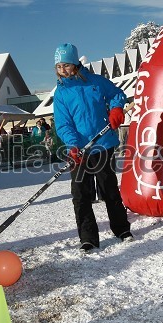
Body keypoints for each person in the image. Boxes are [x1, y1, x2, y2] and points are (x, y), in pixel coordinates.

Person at [52, 43, 133, 252]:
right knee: (80, 194)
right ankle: (88, 237)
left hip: (103, 144)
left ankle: (122, 229)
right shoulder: (61, 94)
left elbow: (117, 94)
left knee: (109, 190)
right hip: (79, 149)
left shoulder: (95, 82)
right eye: (59, 67)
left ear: (76, 64)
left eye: (66, 65)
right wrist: (73, 145)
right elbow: (63, 123)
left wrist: (116, 109)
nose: (63, 70)